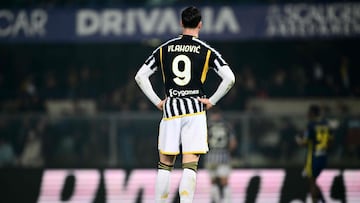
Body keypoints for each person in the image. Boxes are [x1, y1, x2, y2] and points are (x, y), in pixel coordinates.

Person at [135, 6, 235, 203]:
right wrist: (212, 101)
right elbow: (229, 78)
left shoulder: (164, 49)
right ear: (200, 24)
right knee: (190, 164)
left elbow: (140, 76)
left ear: (181, 23)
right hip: (195, 110)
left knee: (165, 164)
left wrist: (157, 101)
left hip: (171, 109)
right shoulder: (206, 51)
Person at [295, 104, 333, 203]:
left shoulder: (311, 125)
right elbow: (330, 141)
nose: (307, 114)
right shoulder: (326, 123)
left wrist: (298, 140)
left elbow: (304, 143)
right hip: (323, 156)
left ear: (312, 113)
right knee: (315, 181)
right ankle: (323, 200)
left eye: (308, 112)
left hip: (313, 157)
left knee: (311, 182)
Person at [204, 108, 237, 203]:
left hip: (210, 157)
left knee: (213, 182)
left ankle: (216, 200)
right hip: (224, 156)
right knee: (224, 182)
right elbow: (233, 142)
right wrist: (228, 152)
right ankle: (227, 200)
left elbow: (204, 140)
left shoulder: (207, 125)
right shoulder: (227, 126)